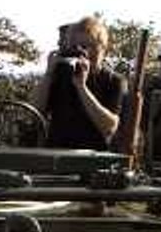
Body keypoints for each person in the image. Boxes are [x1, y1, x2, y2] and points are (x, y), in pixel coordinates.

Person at [35, 16, 127, 150]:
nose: (81, 52)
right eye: (74, 47)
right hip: (56, 154)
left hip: (92, 158)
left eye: (86, 46)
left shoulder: (113, 81)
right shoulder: (61, 75)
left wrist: (81, 87)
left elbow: (109, 127)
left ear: (102, 49)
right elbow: (35, 112)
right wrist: (48, 74)